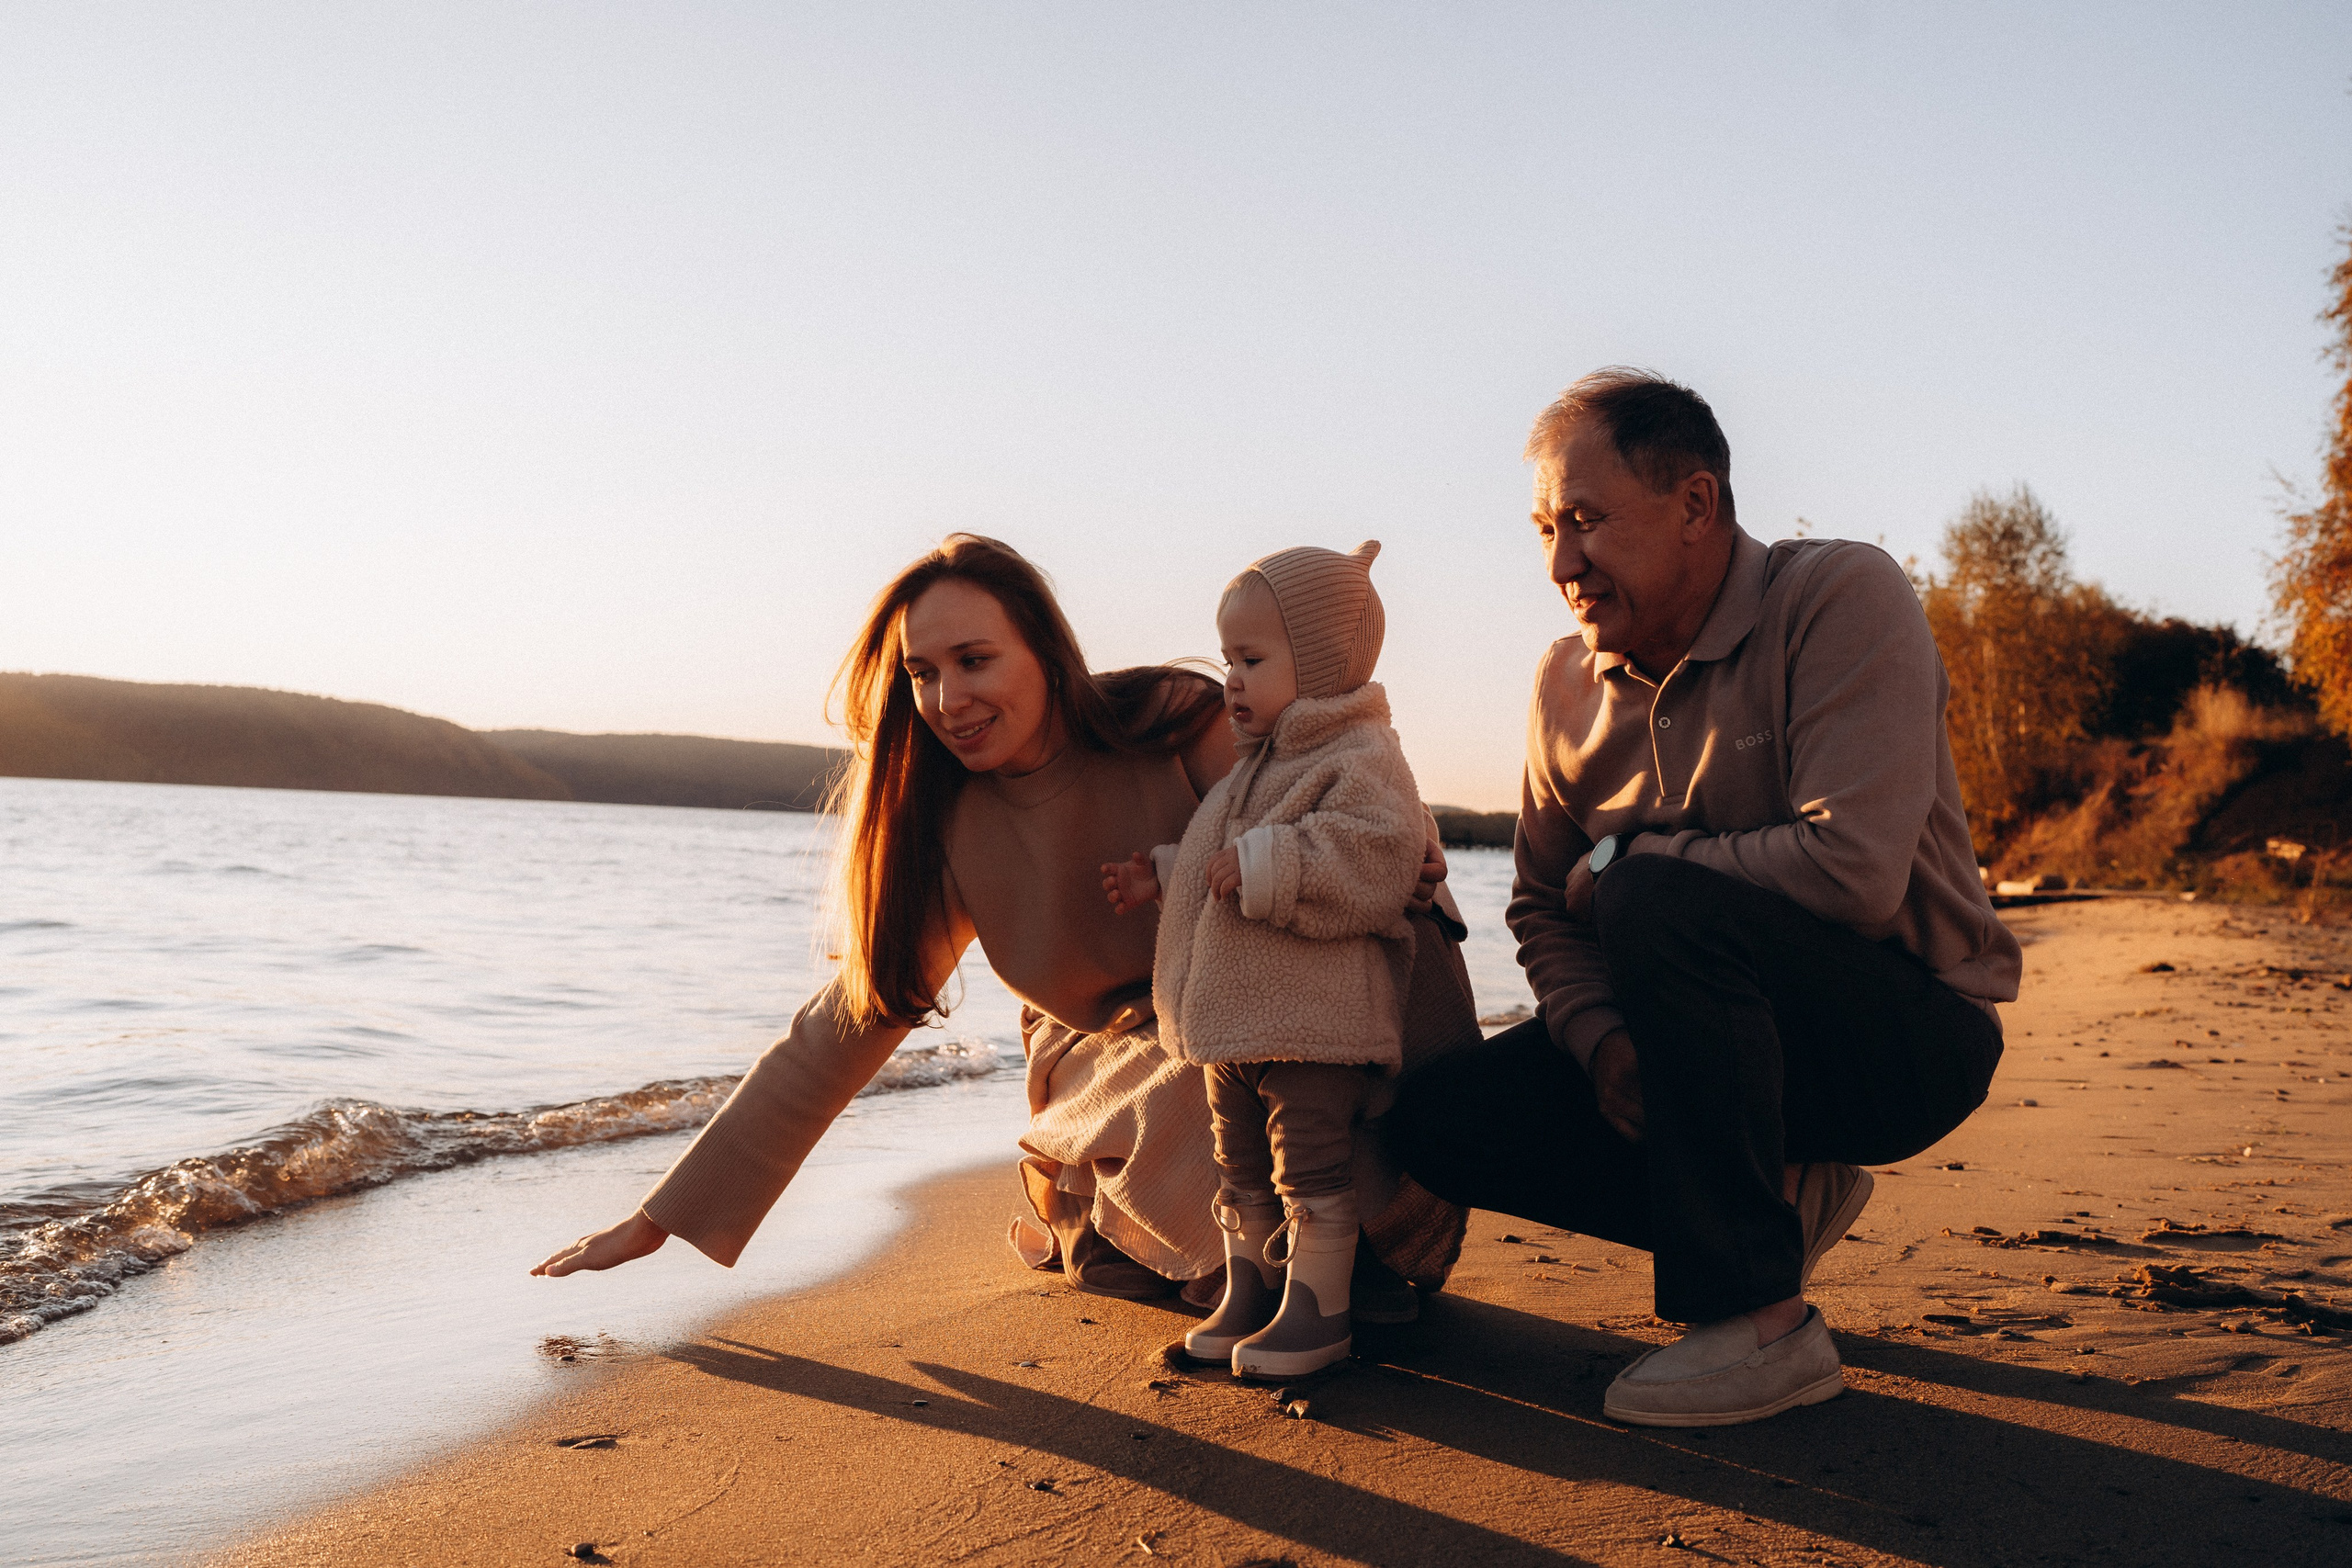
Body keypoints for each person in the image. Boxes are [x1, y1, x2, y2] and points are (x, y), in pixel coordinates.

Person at [534, 534, 1477, 1307]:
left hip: (1283, 1021)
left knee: (1274, 1090)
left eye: (974, 660)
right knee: (1197, 1093)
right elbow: (846, 1022)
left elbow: (1339, 794)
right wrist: (660, 1217)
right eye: (922, 673)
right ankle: (1121, 1215)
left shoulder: (1172, 719)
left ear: (1044, 652)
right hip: (1114, 1055)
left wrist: (1415, 856)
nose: (948, 700)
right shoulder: (946, 831)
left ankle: (1254, 1243)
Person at [1392, 369, 2020, 1427]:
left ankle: (1759, 1323)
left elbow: (1855, 871)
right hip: (1698, 1052)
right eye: (1545, 528)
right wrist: (1600, 1045)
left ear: (1695, 505)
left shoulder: (1837, 598)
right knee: (1438, 1121)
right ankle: (1769, 1203)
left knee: (1649, 891)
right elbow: (1544, 907)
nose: (1560, 563)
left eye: (1586, 521)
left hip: (1903, 1036)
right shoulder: (1561, 684)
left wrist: (1642, 860)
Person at [1104, 541, 1428, 1377]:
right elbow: (1223, 854)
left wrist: (1268, 865)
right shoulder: (1254, 769)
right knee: (1239, 1161)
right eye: (1226, 660)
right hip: (1237, 1023)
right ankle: (1250, 1291)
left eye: (1251, 658)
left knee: (1308, 1164)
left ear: (1319, 663)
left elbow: (1377, 856)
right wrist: (1167, 872)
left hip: (1313, 1023)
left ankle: (1317, 1310)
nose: (1232, 680)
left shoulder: (1361, 757)